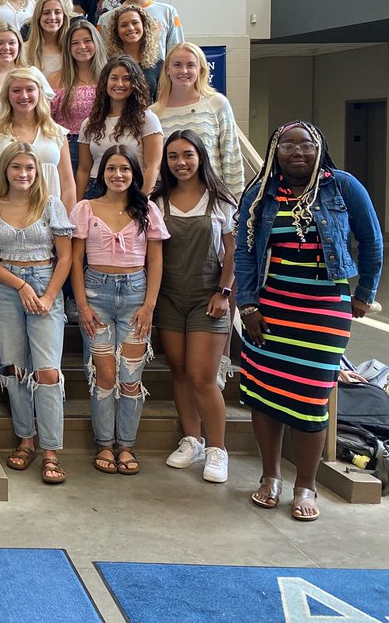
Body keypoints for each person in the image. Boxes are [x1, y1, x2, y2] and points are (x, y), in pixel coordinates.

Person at [236, 121, 382, 521]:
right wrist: (247, 305)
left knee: (311, 398)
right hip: (270, 308)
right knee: (265, 395)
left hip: (323, 310)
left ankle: (306, 484)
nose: (297, 152)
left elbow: (371, 241)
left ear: (320, 149)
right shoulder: (259, 192)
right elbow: (245, 252)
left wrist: (365, 295)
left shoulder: (344, 186)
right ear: (274, 150)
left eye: (306, 145)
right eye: (288, 145)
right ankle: (270, 478)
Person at [0, 141, 74, 484]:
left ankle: (51, 451)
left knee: (47, 371)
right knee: (16, 370)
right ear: (6, 170)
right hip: (7, 287)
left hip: (46, 282)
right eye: (16, 167)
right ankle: (25, 440)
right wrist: (20, 285)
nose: (23, 174)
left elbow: (66, 256)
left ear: (37, 171)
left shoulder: (50, 205)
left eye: (29, 168)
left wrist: (48, 295)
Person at [71, 143, 168, 476]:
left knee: (130, 377)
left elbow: (155, 260)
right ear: (102, 173)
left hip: (136, 297)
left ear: (134, 174)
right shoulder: (85, 208)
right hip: (96, 294)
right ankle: (103, 443)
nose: (118, 174)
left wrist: (149, 306)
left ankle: (125, 444)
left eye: (125, 169)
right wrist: (81, 304)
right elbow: (75, 259)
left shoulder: (148, 210)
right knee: (105, 376)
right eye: (111, 168)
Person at [151, 130, 236, 484]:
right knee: (180, 370)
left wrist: (224, 292)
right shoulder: (158, 201)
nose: (180, 163)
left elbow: (233, 252)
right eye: (173, 156)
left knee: (203, 376)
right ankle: (192, 440)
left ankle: (217, 449)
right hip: (170, 296)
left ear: (200, 156)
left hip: (209, 297)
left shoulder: (219, 199)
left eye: (187, 155)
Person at [0, 68, 75, 213]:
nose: (24, 96)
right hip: (7, 224)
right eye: (16, 90)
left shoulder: (57, 133)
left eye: (30, 89)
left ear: (39, 93)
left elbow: (68, 186)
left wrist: (66, 226)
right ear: (7, 95)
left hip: (52, 221)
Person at [153, 42, 245, 199]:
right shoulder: (154, 113)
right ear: (167, 69)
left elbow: (231, 156)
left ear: (200, 70)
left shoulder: (216, 103)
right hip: (168, 201)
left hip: (212, 198)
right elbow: (151, 165)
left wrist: (236, 204)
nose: (184, 70)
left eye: (190, 65)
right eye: (177, 65)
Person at [76, 56, 162, 200]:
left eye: (127, 79)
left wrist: (143, 201)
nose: (120, 84)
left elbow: (152, 167)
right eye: (114, 78)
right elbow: (83, 170)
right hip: (96, 191)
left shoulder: (147, 119)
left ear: (135, 84)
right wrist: (77, 205)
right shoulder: (89, 123)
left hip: (134, 190)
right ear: (105, 82)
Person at [48, 19, 106, 177]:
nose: (82, 47)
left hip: (102, 143)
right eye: (75, 43)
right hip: (68, 145)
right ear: (68, 48)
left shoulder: (108, 76)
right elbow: (46, 118)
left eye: (87, 41)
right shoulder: (55, 79)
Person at [102, 3, 164, 104]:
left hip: (148, 118)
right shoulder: (108, 63)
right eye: (124, 25)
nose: (130, 28)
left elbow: (161, 102)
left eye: (135, 23)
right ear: (116, 31)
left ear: (144, 26)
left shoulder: (158, 64)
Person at [21, 0, 72, 76]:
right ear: (38, 17)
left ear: (64, 17)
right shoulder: (23, 50)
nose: (52, 17)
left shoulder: (72, 48)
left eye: (57, 12)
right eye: (46, 13)